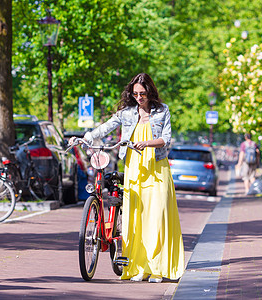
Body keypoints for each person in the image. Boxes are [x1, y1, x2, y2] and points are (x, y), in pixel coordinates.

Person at [69, 73, 184, 283]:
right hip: (134, 167)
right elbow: (106, 127)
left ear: (150, 92)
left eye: (143, 93)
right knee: (136, 217)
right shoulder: (127, 112)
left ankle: (156, 268)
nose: (139, 97)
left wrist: (147, 143)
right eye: (135, 94)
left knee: (157, 217)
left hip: (157, 168)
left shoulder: (162, 110)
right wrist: (84, 137)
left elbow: (166, 139)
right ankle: (138, 267)